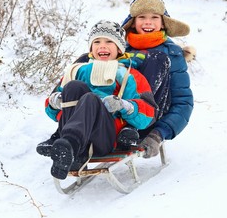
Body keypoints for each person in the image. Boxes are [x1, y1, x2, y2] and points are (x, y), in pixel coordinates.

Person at [44, 20, 157, 180]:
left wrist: (124, 106)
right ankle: (69, 150)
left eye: (109, 41)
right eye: (97, 42)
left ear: (119, 48)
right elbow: (51, 110)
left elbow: (148, 114)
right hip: (72, 134)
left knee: (91, 99)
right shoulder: (78, 71)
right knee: (73, 87)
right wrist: (54, 103)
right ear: (91, 48)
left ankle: (70, 147)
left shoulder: (129, 75)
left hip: (105, 137)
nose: (102, 46)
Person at [121, 0, 194, 158]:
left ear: (162, 22)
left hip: (151, 118)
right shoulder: (120, 51)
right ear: (133, 22)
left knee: (156, 61)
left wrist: (158, 134)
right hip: (119, 112)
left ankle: (135, 127)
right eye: (142, 17)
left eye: (154, 17)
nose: (148, 22)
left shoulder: (172, 54)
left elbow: (183, 101)